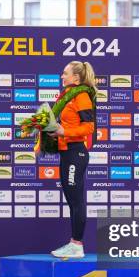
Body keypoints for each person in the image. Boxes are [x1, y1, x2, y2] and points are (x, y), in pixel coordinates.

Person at [48, 61, 97, 259]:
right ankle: (73, 243)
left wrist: (63, 131)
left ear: (76, 78)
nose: (62, 76)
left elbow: (89, 128)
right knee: (71, 199)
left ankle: (77, 245)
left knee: (76, 201)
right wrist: (53, 131)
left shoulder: (82, 96)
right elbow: (66, 125)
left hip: (76, 152)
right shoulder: (67, 97)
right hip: (66, 152)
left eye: (65, 73)